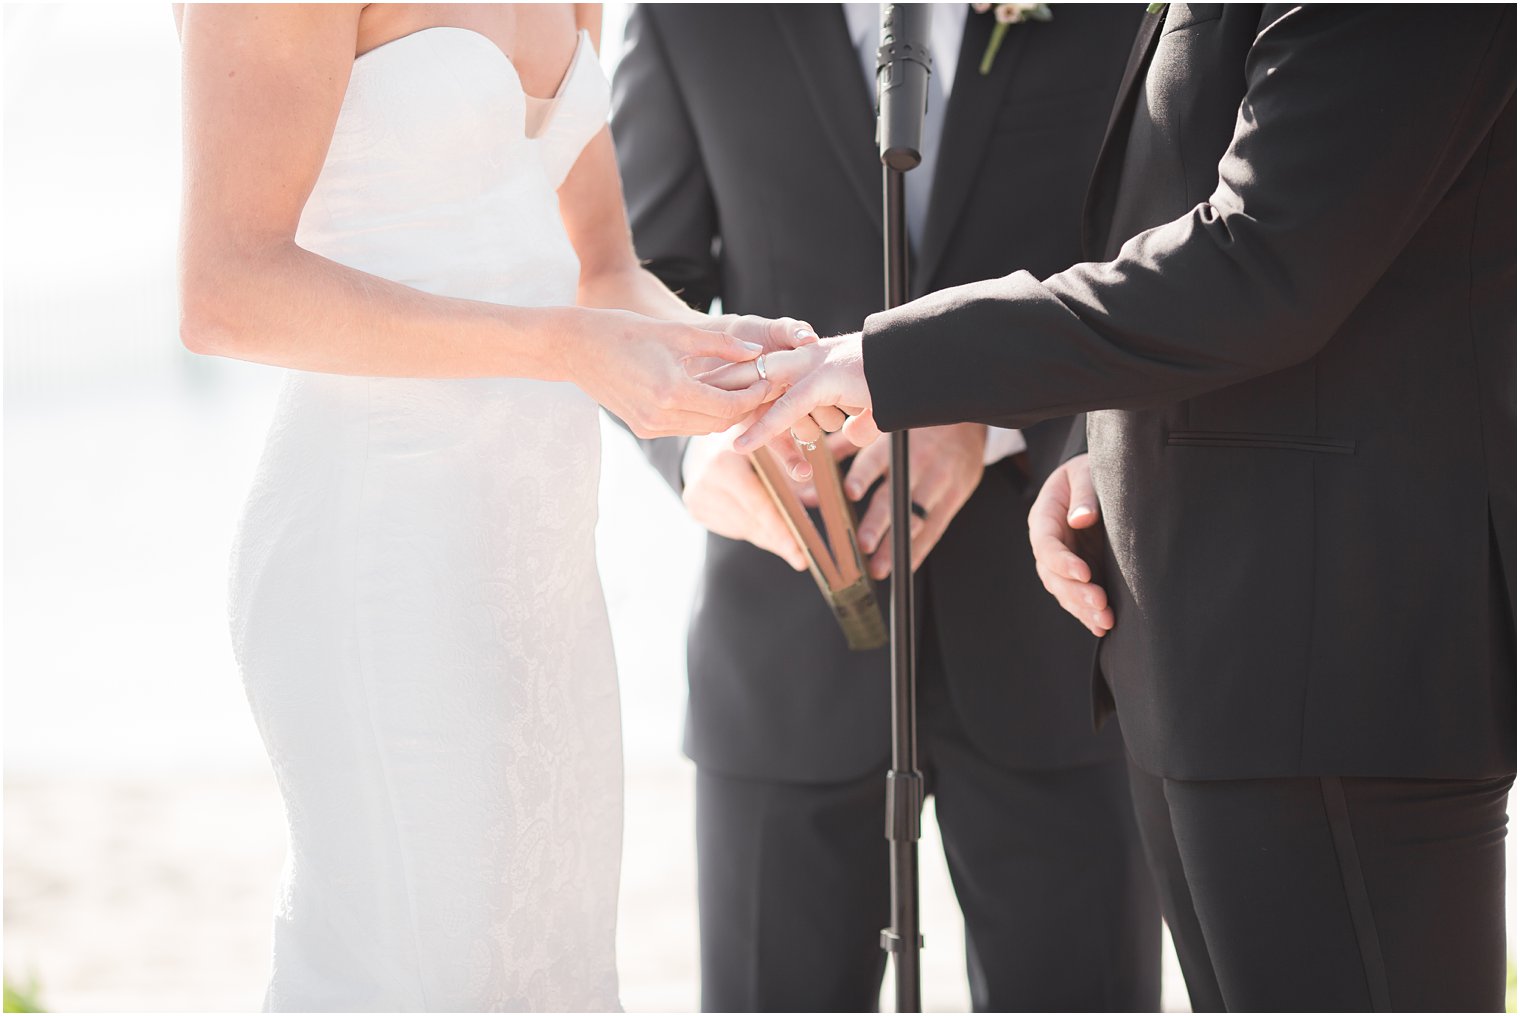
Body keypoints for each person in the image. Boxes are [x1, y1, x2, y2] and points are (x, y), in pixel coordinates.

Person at [727, 5, 1517, 1010]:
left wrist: (881, 360)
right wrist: (1103, 449)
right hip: (1206, 657)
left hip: (1338, 656)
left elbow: (1260, 261)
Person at [175, 4, 807, 1009]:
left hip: (543, 565)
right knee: (421, 969)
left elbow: (603, 272)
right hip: (378, 544)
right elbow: (225, 290)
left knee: (548, 969)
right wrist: (562, 345)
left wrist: (753, 365)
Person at [611, 4, 1159, 1011]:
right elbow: (638, 280)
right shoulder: (684, 15)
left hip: (1061, 645)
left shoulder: (1122, 14)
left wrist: (990, 423)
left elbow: (1159, 271)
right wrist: (696, 449)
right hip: (783, 651)